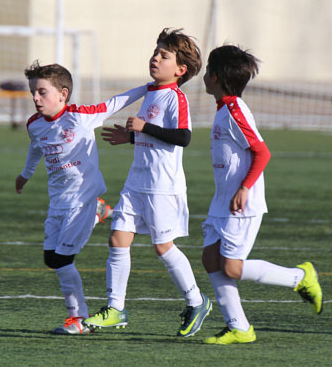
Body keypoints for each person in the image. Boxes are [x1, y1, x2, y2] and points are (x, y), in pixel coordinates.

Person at [84, 28, 212, 338]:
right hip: (136, 182)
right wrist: (130, 137)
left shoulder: (176, 97)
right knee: (118, 239)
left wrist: (143, 127)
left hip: (162, 187)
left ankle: (197, 302)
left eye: (164, 56)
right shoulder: (151, 92)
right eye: (155, 53)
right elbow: (154, 137)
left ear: (180, 70)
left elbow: (183, 137)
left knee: (163, 247)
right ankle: (116, 308)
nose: (155, 58)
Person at [199, 45, 323, 345]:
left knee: (231, 267)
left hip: (242, 203)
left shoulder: (234, 111)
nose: (204, 75)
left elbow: (262, 152)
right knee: (210, 259)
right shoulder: (224, 108)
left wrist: (244, 187)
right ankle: (239, 327)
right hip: (222, 200)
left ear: (215, 78)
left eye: (207, 70)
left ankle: (300, 277)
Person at [15, 61, 147, 335]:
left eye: (42, 92)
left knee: (63, 260)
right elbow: (36, 148)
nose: (35, 98)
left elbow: (116, 102)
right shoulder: (35, 124)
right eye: (33, 92)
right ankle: (100, 212)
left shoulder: (80, 117)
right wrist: (25, 175)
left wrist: (150, 87)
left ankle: (79, 318)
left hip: (81, 200)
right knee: (51, 258)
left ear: (63, 94)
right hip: (58, 202)